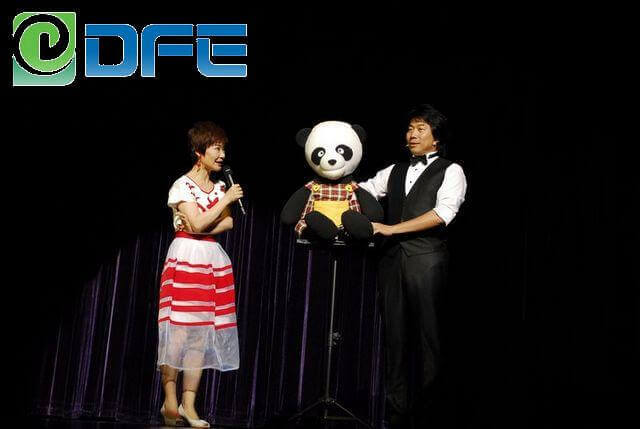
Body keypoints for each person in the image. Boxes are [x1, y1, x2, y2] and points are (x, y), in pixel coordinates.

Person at [358, 104, 467, 427]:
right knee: (395, 338)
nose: (412, 134)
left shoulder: (451, 170)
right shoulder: (394, 170)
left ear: (436, 137)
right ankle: (397, 414)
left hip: (427, 260)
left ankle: (431, 414)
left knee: (429, 338)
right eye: (410, 128)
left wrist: (391, 229)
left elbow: (442, 213)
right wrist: (329, 190)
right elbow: (362, 191)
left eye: (421, 129)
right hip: (391, 261)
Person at [157, 121, 244, 427]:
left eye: (224, 149)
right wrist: (222, 205)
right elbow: (196, 224)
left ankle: (189, 405)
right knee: (177, 333)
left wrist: (205, 220)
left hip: (211, 260)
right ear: (199, 151)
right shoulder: (182, 186)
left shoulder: (219, 187)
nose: (222, 155)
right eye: (216, 148)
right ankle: (169, 399)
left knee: (199, 336)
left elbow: (227, 223)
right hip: (186, 258)